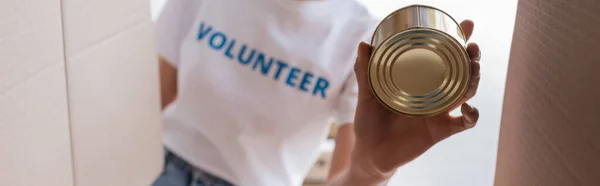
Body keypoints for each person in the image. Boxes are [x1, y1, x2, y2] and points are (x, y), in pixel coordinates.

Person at [153, 0, 481, 185]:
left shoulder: (365, 40)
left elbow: (347, 174)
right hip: (159, 166)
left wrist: (370, 169)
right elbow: (147, 110)